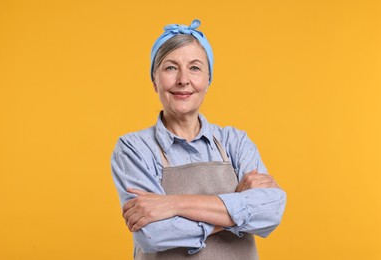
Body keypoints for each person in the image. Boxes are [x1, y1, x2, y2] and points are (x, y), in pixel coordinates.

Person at [111, 19, 286, 260]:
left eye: (195, 68)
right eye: (171, 68)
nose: (183, 80)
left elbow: (270, 211)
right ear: (154, 80)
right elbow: (153, 234)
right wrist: (238, 211)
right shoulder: (134, 148)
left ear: (208, 80)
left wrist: (174, 205)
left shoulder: (235, 141)